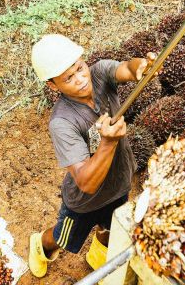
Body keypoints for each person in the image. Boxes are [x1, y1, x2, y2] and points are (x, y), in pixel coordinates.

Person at [27, 34, 154, 279]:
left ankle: (97, 253)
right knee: (63, 239)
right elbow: (87, 182)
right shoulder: (62, 122)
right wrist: (108, 142)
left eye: (79, 68)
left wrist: (142, 67)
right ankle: (40, 245)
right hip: (84, 205)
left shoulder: (99, 73)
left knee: (111, 226)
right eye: (68, 78)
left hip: (119, 183)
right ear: (53, 86)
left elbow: (126, 68)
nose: (81, 79)